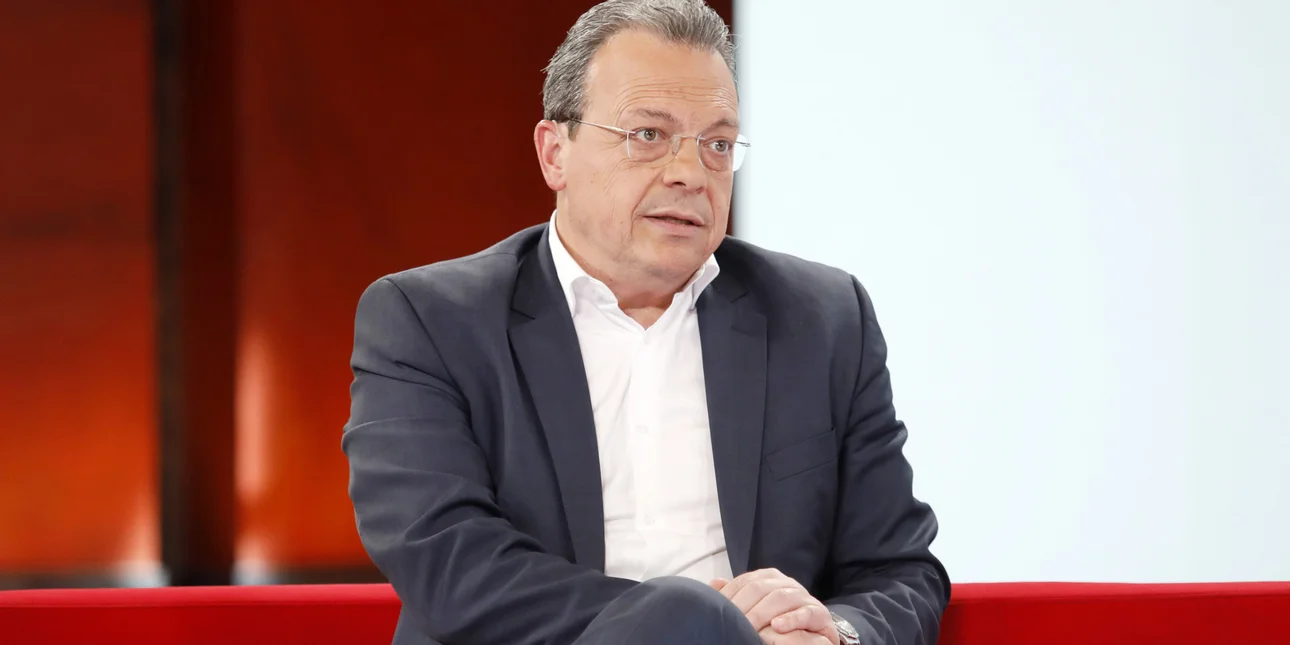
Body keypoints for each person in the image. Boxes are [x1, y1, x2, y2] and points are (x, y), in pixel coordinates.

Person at [342, 1, 949, 643]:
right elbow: (454, 569)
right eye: (648, 136)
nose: (690, 174)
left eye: (717, 145)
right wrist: (717, 630)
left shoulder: (822, 319)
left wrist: (835, 634)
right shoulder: (429, 322)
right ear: (555, 153)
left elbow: (897, 568)